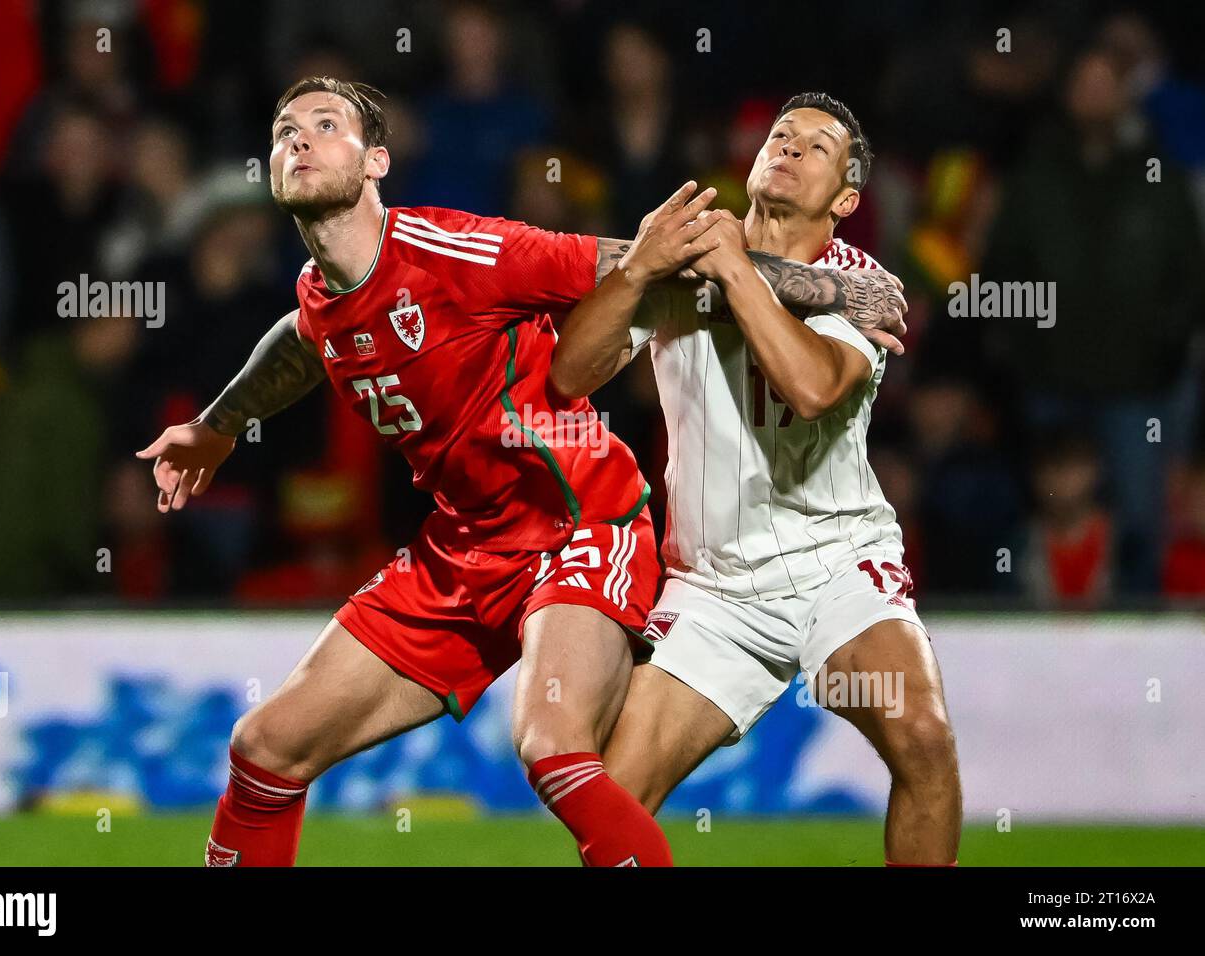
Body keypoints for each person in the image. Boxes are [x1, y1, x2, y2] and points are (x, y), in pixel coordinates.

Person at [136, 78, 907, 866]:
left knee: (551, 747)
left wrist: (838, 289)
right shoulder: (321, 292)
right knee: (265, 747)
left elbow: (642, 262)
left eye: (324, 125)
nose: (297, 139)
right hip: (466, 548)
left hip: (582, 522)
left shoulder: (455, 251)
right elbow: (304, 340)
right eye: (283, 129)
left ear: (376, 161)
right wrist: (215, 426)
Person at [552, 93, 960, 866]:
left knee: (923, 738)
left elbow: (810, 388)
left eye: (816, 147)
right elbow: (571, 376)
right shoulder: (677, 258)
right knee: (614, 801)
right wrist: (640, 268)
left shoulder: (856, 287)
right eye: (781, 136)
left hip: (839, 566)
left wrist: (733, 271)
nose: (790, 149)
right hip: (715, 590)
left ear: (846, 197)